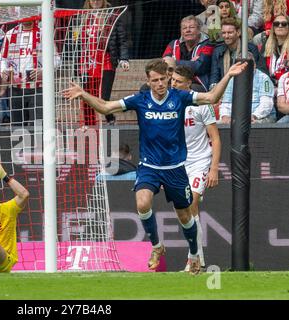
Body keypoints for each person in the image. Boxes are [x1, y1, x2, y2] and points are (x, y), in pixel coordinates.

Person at [63, 58, 247, 275]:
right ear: (148, 81)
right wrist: (84, 94)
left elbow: (212, 97)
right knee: (142, 203)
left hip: (176, 167)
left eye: (163, 79)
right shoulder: (139, 100)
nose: (160, 84)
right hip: (149, 166)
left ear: (168, 79)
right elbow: (105, 107)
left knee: (185, 215)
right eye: (155, 80)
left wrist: (228, 75)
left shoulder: (181, 97)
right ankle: (157, 246)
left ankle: (195, 254)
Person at [170, 65, 221, 272]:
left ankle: (193, 259)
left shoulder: (200, 103)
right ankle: (199, 259)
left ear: (188, 84)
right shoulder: (167, 103)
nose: (173, 84)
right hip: (178, 163)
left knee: (191, 203)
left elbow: (215, 138)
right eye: (172, 80)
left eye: (178, 81)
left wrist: (214, 168)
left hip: (199, 161)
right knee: (186, 211)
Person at [82, 0, 130, 125]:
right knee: (87, 98)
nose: (96, 1)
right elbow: (78, 43)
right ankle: (89, 125)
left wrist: (124, 58)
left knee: (103, 97)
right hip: (88, 63)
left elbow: (122, 40)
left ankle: (110, 118)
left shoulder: (112, 16)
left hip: (106, 62)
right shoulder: (83, 17)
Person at [219, 53, 276, 124]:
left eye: (246, 65)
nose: (243, 68)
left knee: (251, 124)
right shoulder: (232, 79)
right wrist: (225, 117)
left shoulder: (264, 78)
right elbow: (226, 103)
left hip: (261, 117)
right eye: (241, 66)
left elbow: (266, 104)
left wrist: (253, 116)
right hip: (238, 118)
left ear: (254, 65)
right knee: (215, 124)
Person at [163, 15, 214, 91]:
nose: (188, 30)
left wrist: (174, 62)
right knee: (148, 87)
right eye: (184, 28)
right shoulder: (173, 44)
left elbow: (200, 67)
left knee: (181, 90)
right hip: (174, 81)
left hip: (197, 83)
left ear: (199, 30)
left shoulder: (208, 44)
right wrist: (191, 63)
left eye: (191, 27)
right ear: (181, 31)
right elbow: (165, 64)